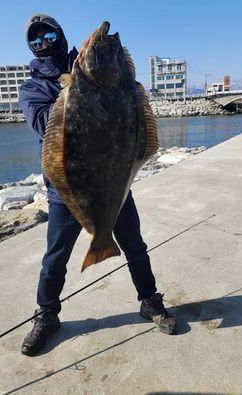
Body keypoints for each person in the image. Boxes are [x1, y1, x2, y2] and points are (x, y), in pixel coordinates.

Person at [18, 14, 176, 356]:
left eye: (47, 35)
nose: (42, 43)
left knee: (135, 245)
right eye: (35, 41)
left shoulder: (109, 79)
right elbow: (45, 124)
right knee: (54, 259)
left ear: (59, 36)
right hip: (67, 189)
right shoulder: (32, 88)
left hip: (114, 179)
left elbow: (135, 119)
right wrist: (73, 85)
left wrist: (83, 80)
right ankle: (46, 315)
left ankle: (150, 301)